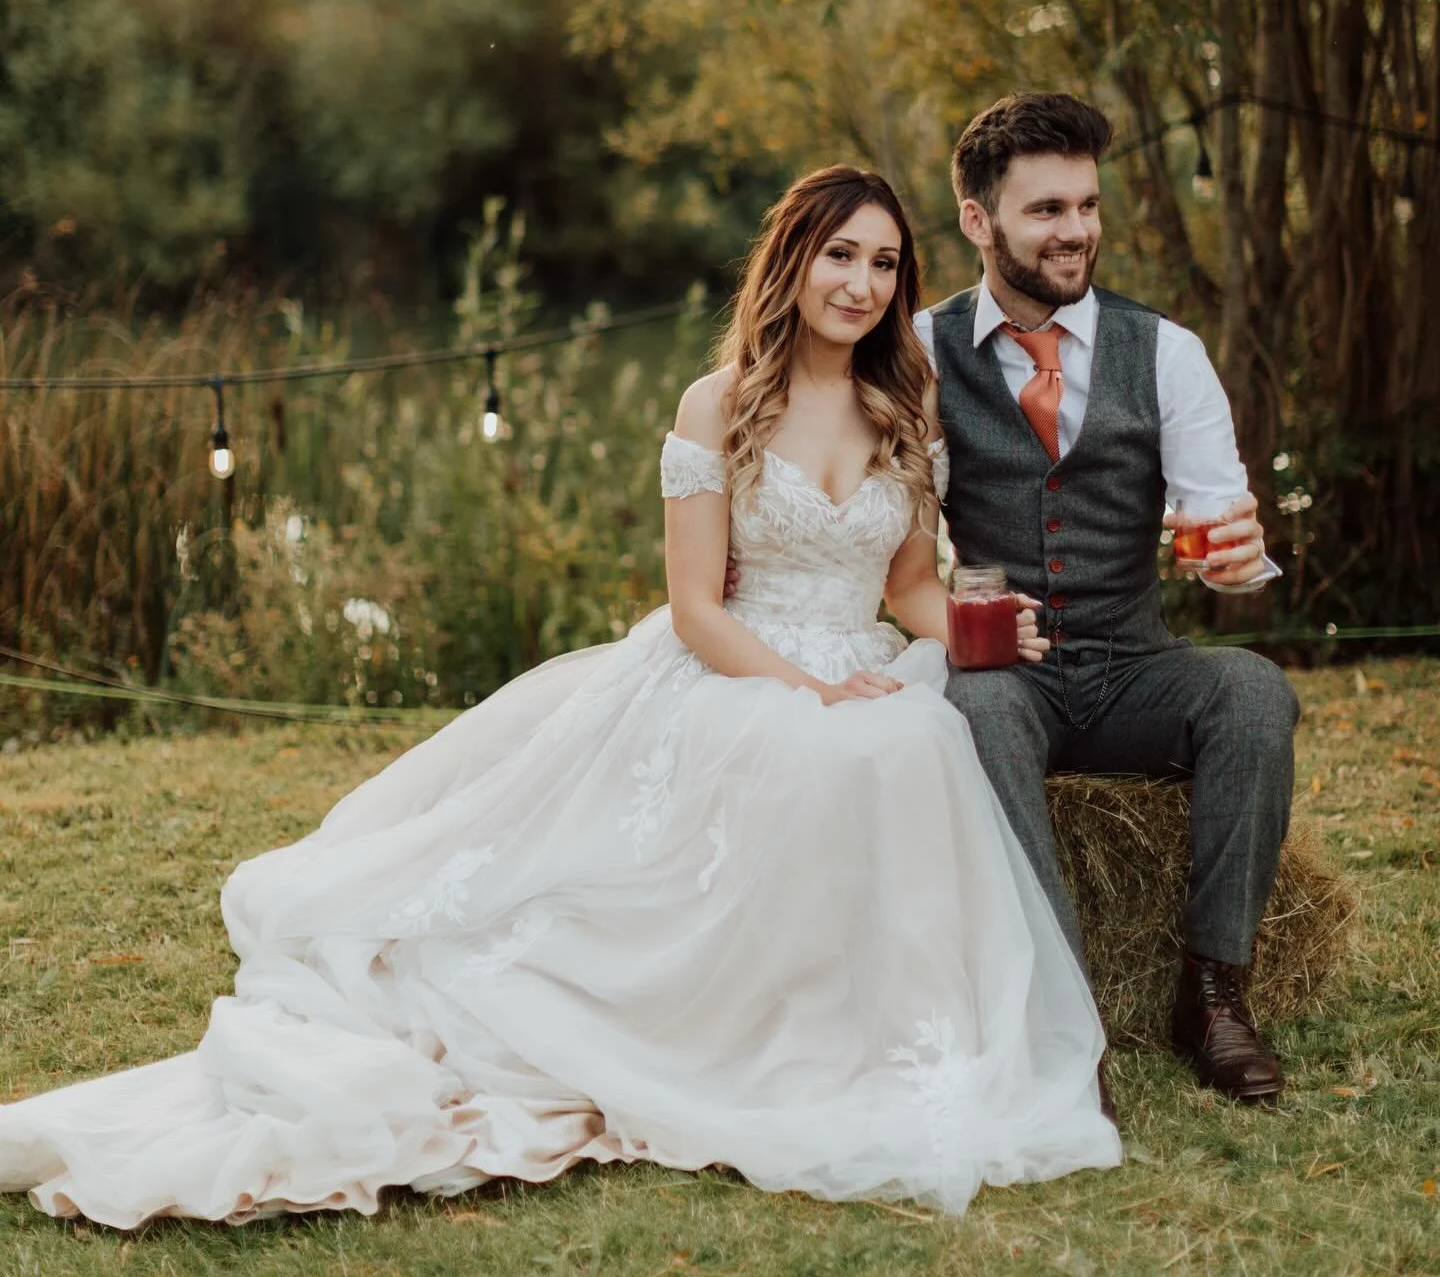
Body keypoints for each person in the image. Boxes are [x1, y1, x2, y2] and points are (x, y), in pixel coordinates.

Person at [0, 166, 1120, 1229]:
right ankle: (705, 1030)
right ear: (789, 262)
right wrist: (813, 691)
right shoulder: (717, 404)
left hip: (859, 658)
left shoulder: (903, 403)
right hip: (739, 662)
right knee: (841, 751)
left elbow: (912, 586)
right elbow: (696, 609)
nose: (860, 285)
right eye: (839, 255)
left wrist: (983, 629)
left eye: (883, 266)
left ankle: (881, 1042)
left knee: (913, 741)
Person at [921, 94, 1297, 1105]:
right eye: (1046, 209)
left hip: (1136, 667)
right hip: (1014, 673)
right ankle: (1060, 1011)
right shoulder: (918, 353)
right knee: (977, 702)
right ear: (976, 220)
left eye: (1086, 204)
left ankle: (1216, 997)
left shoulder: (1165, 351)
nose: (1077, 229)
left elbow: (1222, 524)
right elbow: (895, 536)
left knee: (1253, 693)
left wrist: (1238, 560)